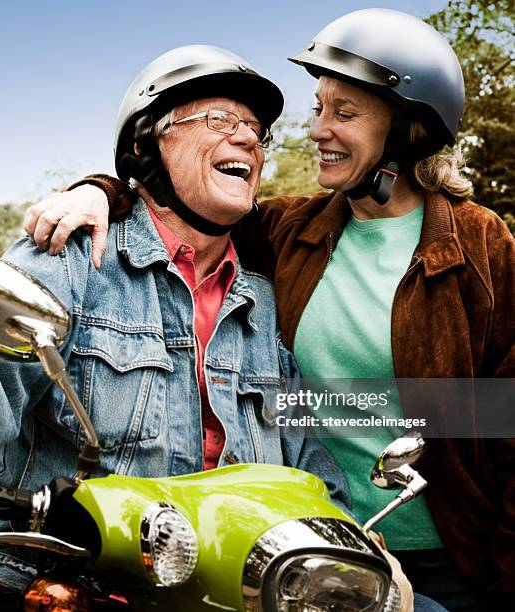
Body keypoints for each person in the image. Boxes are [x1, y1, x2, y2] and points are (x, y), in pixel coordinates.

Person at [29, 9, 515, 611]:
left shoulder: (480, 244)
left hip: (452, 556)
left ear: (407, 129)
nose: (318, 129)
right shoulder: (289, 229)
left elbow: (508, 418)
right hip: (301, 550)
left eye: (345, 113)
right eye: (318, 109)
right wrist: (99, 189)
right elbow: (185, 200)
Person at [0, 44, 415, 609]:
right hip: (54, 587)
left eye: (255, 129)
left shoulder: (262, 300)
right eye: (219, 120)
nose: (248, 138)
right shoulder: (75, 253)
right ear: (147, 147)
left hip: (225, 595)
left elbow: (303, 461)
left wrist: (359, 547)